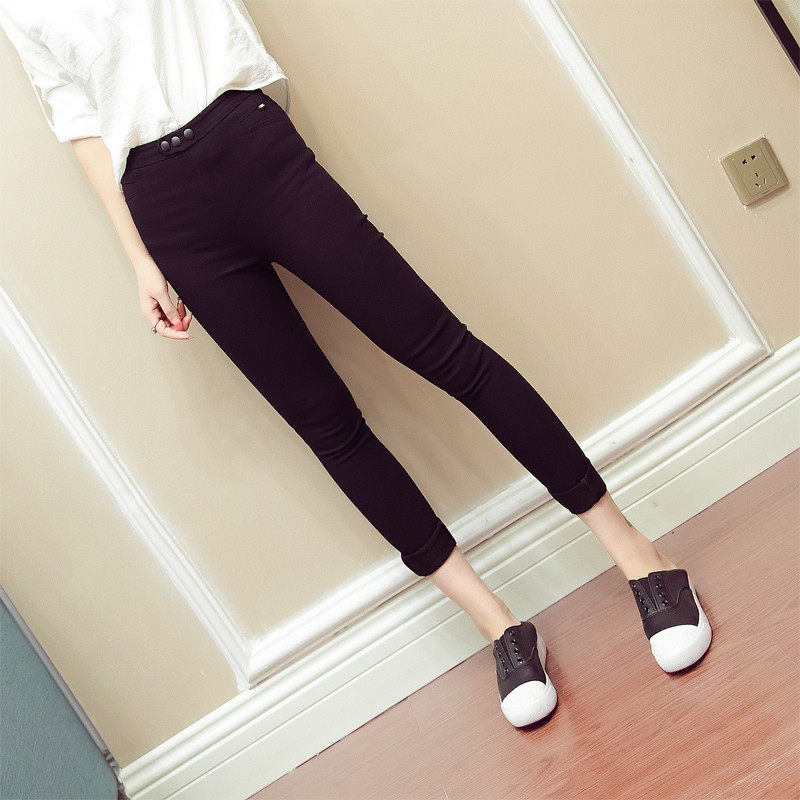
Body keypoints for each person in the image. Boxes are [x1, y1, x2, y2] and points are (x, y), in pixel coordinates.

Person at [0, 0, 711, 728]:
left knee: (446, 351)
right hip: (163, 206)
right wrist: (140, 259)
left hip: (247, 142)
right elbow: (79, 122)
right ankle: (498, 628)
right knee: (328, 427)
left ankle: (642, 560)